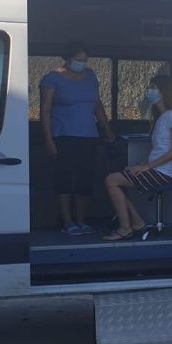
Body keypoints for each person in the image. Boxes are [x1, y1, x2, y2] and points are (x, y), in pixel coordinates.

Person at [40, 42, 115, 235]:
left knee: (86, 179)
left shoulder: (90, 76)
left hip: (89, 135)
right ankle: (68, 222)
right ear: (67, 58)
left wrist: (107, 130)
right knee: (63, 178)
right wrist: (48, 140)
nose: (82, 63)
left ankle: (81, 220)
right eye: (78, 59)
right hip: (62, 136)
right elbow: (45, 111)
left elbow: (97, 105)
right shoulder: (52, 79)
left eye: (85, 60)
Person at [103, 75, 172, 241]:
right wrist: (141, 165)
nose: (149, 91)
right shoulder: (162, 117)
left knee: (112, 180)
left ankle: (125, 228)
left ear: (164, 91)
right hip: (157, 169)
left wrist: (147, 166)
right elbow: (160, 150)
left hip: (164, 173)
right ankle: (137, 222)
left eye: (153, 87)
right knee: (118, 179)